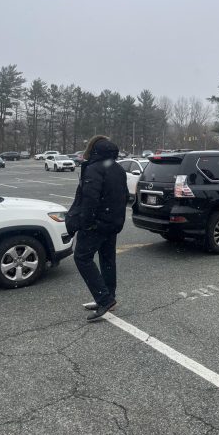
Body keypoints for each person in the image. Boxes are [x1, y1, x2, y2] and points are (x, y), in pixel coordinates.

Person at [65, 135, 128, 322]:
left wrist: (87, 222)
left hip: (97, 224)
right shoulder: (118, 169)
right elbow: (124, 196)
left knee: (82, 258)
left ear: (94, 151)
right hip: (112, 223)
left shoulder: (93, 169)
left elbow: (89, 199)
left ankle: (104, 298)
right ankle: (109, 297)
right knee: (107, 259)